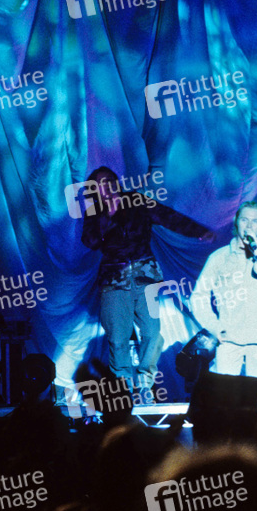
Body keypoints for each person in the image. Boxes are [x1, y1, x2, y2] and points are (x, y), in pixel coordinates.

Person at [80, 166, 213, 398]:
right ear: (95, 191)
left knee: (152, 332)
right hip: (114, 281)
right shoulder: (95, 212)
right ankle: (122, 387)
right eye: (100, 184)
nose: (107, 186)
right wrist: (107, 214)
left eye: (110, 180)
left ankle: (145, 383)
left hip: (146, 277)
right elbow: (90, 241)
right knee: (118, 338)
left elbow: (168, 216)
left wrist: (198, 231)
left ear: (117, 182)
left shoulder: (136, 201)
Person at [189, 202, 257, 405]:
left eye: (255, 221)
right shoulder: (218, 258)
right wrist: (215, 328)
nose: (249, 226)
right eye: (244, 220)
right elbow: (198, 297)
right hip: (229, 338)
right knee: (225, 400)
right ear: (236, 222)